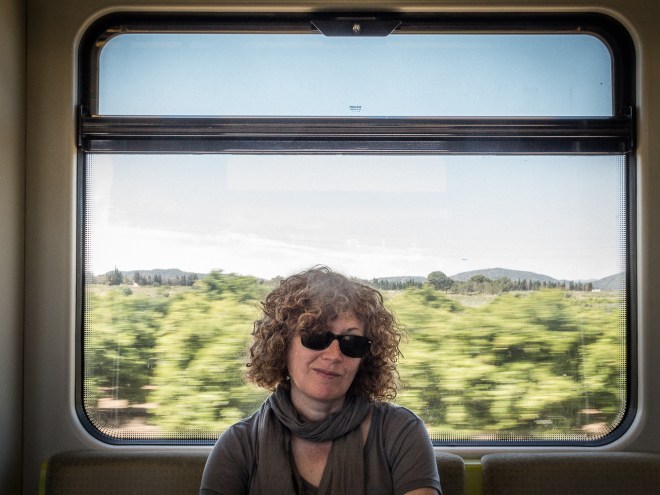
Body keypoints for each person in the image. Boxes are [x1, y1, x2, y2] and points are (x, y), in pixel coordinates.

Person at [200, 266, 442, 495]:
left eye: (352, 342)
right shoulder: (238, 445)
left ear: (365, 358)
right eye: (316, 336)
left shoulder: (401, 432)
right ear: (282, 344)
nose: (334, 355)